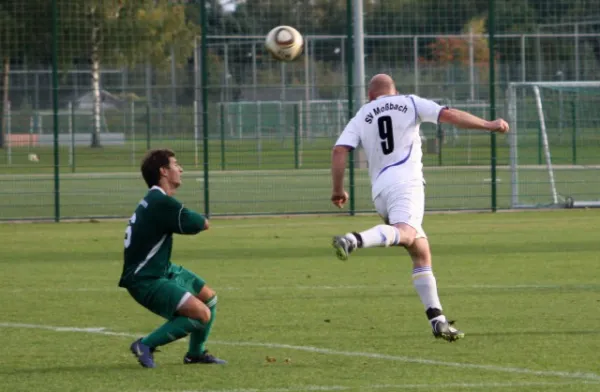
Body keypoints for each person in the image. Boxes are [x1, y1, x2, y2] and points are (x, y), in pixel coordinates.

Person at [330, 74, 509, 342]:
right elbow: (449, 115)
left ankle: (438, 321)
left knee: (420, 250)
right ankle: (355, 239)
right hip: (406, 184)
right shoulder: (410, 102)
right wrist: (488, 124)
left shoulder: (362, 114)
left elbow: (339, 151)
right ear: (395, 90)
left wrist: (338, 189)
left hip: (380, 191)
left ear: (371, 96)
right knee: (407, 233)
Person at [118, 148, 226, 368]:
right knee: (201, 314)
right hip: (145, 279)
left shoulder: (154, 200)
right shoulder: (161, 203)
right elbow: (200, 224)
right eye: (176, 164)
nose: (181, 169)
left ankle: (195, 354)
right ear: (163, 171)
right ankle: (144, 345)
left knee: (209, 298)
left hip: (159, 269)